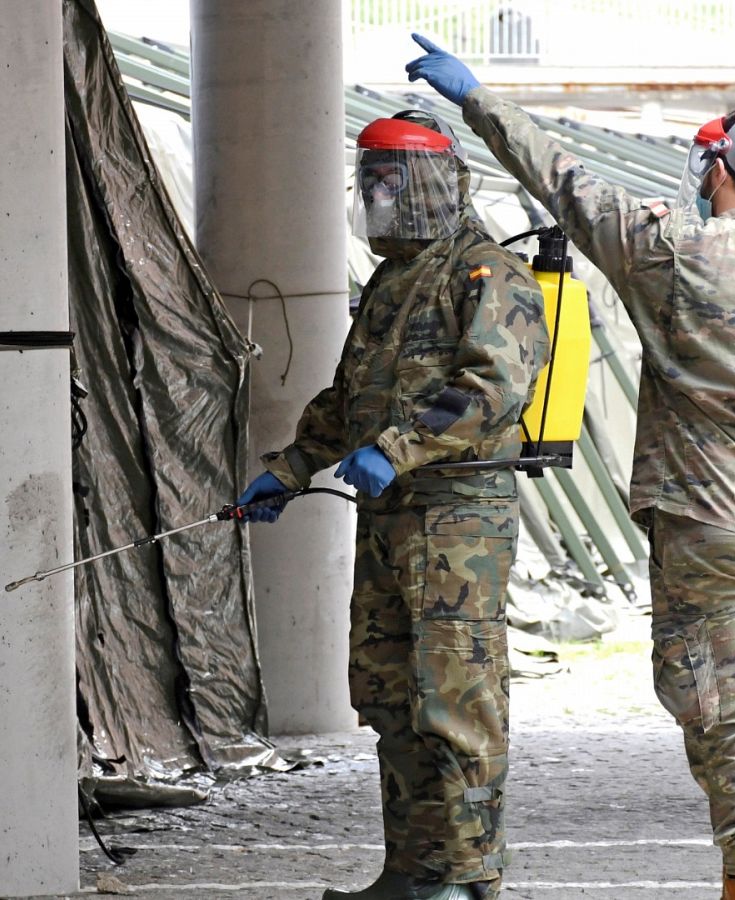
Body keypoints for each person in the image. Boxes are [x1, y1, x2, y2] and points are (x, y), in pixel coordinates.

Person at [405, 35, 735, 900]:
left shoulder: (670, 248)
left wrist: (477, 98)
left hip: (704, 527)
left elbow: (559, 178)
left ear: (719, 168)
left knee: (719, 711)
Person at [237, 110, 549, 900]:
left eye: (392, 179)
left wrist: (398, 449)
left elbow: (493, 388)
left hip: (457, 520)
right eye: (370, 179)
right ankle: (414, 870)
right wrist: (291, 466)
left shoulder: (485, 273)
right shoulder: (391, 281)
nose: (379, 195)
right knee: (386, 690)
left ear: (438, 182)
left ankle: (470, 876)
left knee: (455, 698)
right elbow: (350, 397)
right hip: (390, 517)